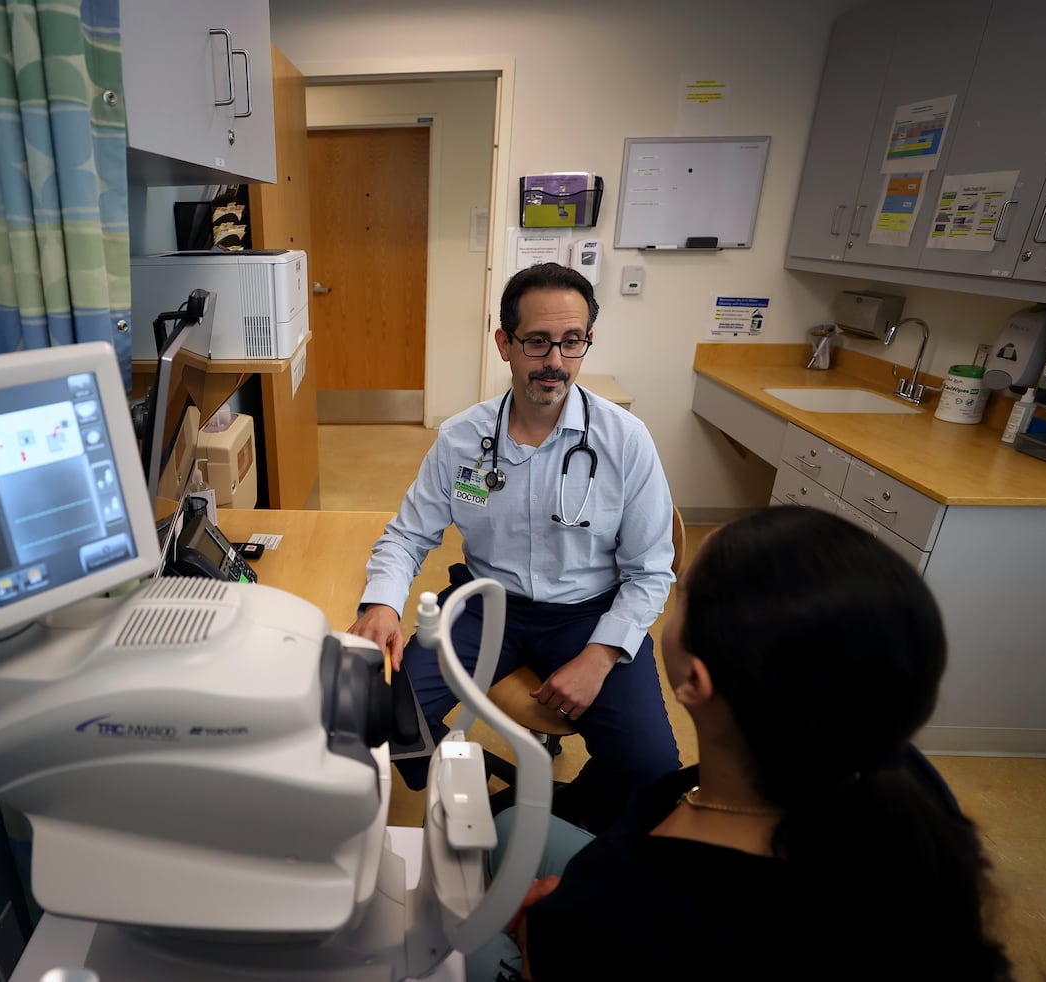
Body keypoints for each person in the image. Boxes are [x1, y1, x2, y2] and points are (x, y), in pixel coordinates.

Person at [469, 506, 1011, 981]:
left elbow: (594, 931)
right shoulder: (897, 776)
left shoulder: (625, 907)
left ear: (696, 683)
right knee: (512, 825)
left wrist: (544, 936)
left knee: (468, 951)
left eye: (680, 599)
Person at [349, 262, 680, 833]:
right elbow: (408, 535)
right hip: (486, 605)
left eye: (571, 342)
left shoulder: (625, 441)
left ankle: (543, 816)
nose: (555, 361)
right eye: (536, 342)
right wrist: (379, 604)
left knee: (653, 771)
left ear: (586, 343)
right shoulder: (462, 439)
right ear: (505, 343)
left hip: (589, 614)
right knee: (375, 720)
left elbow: (651, 571)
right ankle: (463, 787)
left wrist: (600, 655)